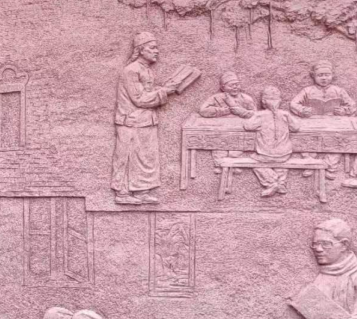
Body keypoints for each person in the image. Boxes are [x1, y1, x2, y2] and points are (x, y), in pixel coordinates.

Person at [110, 32, 184, 205]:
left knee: (145, 157)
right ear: (141, 50)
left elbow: (147, 92)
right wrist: (165, 92)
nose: (156, 51)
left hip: (145, 121)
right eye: (152, 48)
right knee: (128, 156)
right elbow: (139, 99)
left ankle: (141, 191)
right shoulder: (131, 70)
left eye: (156, 47)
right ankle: (122, 193)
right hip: (131, 122)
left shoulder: (146, 70)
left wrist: (164, 88)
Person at [289, 61, 355, 180]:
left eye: (327, 75)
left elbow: (352, 105)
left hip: (333, 122)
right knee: (305, 138)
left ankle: (331, 167)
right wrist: (303, 110)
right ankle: (310, 162)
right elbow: (293, 104)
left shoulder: (339, 91)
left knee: (336, 140)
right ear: (313, 76)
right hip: (312, 121)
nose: (324, 78)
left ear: (332, 75)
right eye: (320, 75)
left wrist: (344, 110)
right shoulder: (307, 91)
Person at [243, 86, 301, 197]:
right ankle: (281, 183)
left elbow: (248, 126)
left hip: (265, 154)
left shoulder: (260, 115)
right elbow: (296, 127)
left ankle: (272, 183)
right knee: (281, 161)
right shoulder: (285, 114)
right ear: (279, 101)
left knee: (255, 162)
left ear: (264, 101)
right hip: (284, 154)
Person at [198, 71, 257, 172]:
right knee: (219, 145)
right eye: (231, 85)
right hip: (221, 130)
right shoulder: (216, 98)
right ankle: (219, 164)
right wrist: (224, 111)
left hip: (239, 130)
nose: (235, 87)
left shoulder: (246, 99)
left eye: (237, 84)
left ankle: (234, 164)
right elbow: (203, 111)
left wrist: (241, 112)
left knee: (237, 147)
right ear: (223, 87)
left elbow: (256, 115)